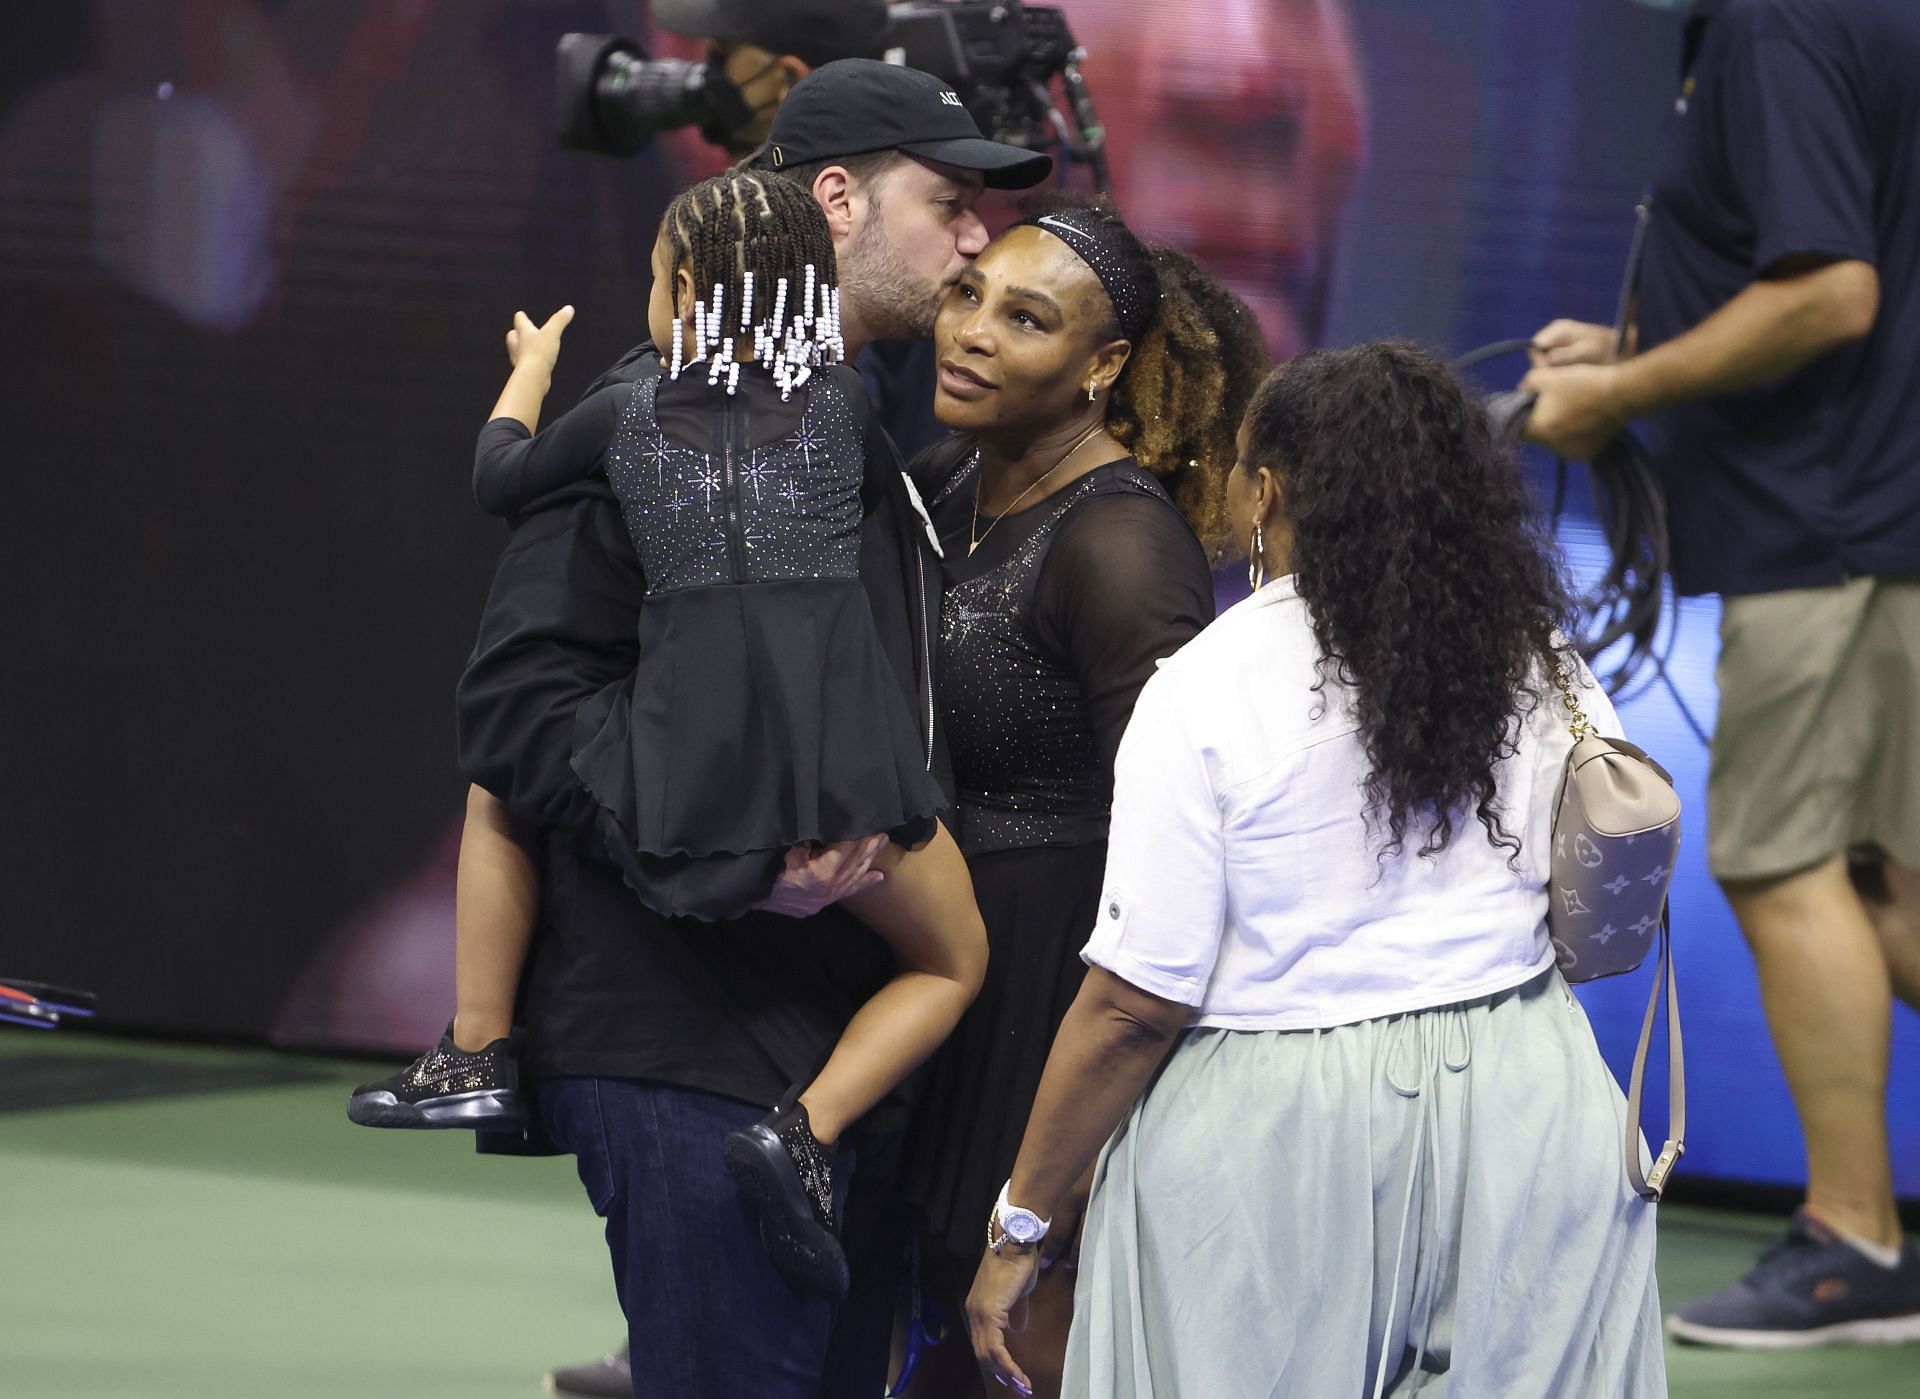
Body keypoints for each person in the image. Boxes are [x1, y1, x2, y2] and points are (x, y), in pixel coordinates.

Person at [445, 59, 1050, 1399]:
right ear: (837, 197)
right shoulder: (648, 415)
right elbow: (517, 705)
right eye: (948, 202)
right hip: (690, 1055)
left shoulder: (854, 421)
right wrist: (723, 828)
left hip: (815, 1066)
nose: (975, 239)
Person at [966, 341, 1667, 1398]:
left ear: (1269, 491)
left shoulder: (1203, 689)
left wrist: (1020, 1224)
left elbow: (1131, 1008)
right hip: (1533, 1100)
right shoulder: (1543, 662)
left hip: (1270, 1138)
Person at [351, 170, 996, 1306]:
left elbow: (499, 477)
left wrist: (532, 376)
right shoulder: (849, 413)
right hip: (844, 777)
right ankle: (805, 1128)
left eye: (653, 284)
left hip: (692, 788)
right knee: (955, 959)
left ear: (685, 292)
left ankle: (476, 1045)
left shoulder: (625, 412)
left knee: (500, 781)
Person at [1522, 0, 1920, 1347]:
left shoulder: (1777, 23)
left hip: (1831, 528)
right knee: (1888, 886)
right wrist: (1631, 353)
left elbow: (1829, 288)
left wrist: (1624, 395)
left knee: (1787, 858)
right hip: (1876, 516)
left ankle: (1857, 1239)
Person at [901, 200, 1270, 1399]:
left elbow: (1180, 826)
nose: (972, 333)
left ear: (1103, 366)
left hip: (1051, 978)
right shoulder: (951, 475)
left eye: (1026, 318)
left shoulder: (1121, 543)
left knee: (1003, 1353)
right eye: (968, 296)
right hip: (942, 966)